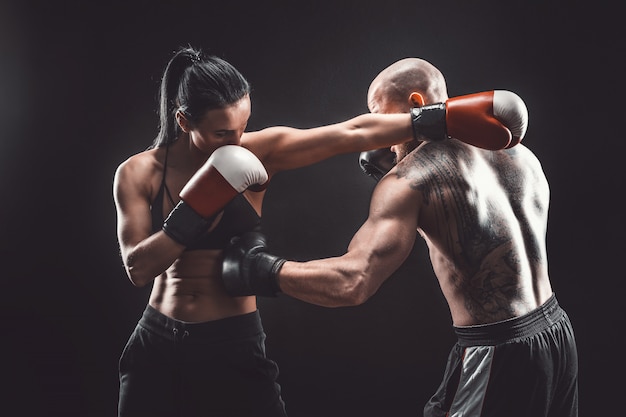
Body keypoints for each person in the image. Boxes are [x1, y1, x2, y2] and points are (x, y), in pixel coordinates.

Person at [113, 45, 520, 417]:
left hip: (232, 342)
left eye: (243, 126)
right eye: (222, 134)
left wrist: (441, 117)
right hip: (158, 343)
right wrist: (197, 209)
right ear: (183, 121)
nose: (236, 142)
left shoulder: (260, 150)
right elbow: (138, 268)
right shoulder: (137, 173)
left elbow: (350, 133)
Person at [222, 57, 579, 417]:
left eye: (378, 113)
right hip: (557, 335)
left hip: (496, 354)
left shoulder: (411, 180)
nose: (377, 129)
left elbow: (353, 280)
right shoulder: (518, 153)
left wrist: (261, 270)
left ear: (415, 105)